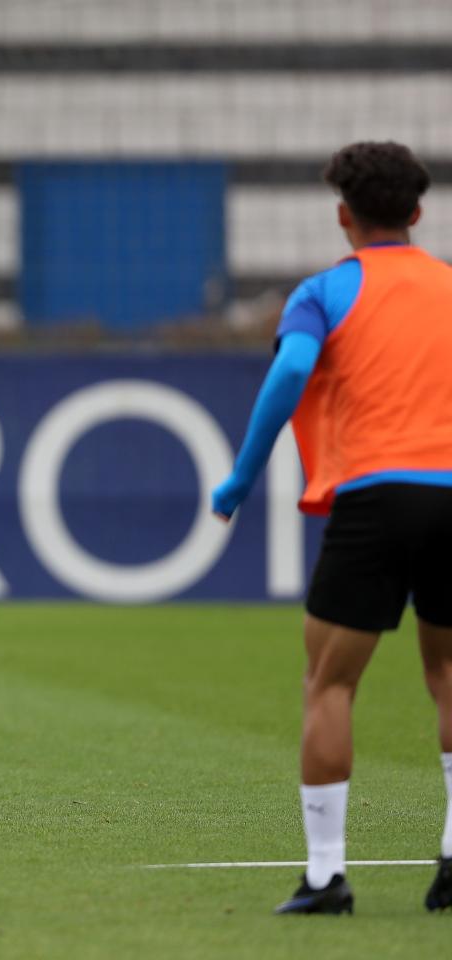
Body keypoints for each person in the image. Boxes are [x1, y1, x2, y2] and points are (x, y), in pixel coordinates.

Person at [212, 141, 452, 914]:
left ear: (342, 215)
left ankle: (325, 877)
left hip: (376, 493)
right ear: (417, 213)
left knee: (330, 680)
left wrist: (242, 477)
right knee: (448, 675)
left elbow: (288, 374)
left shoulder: (324, 292)